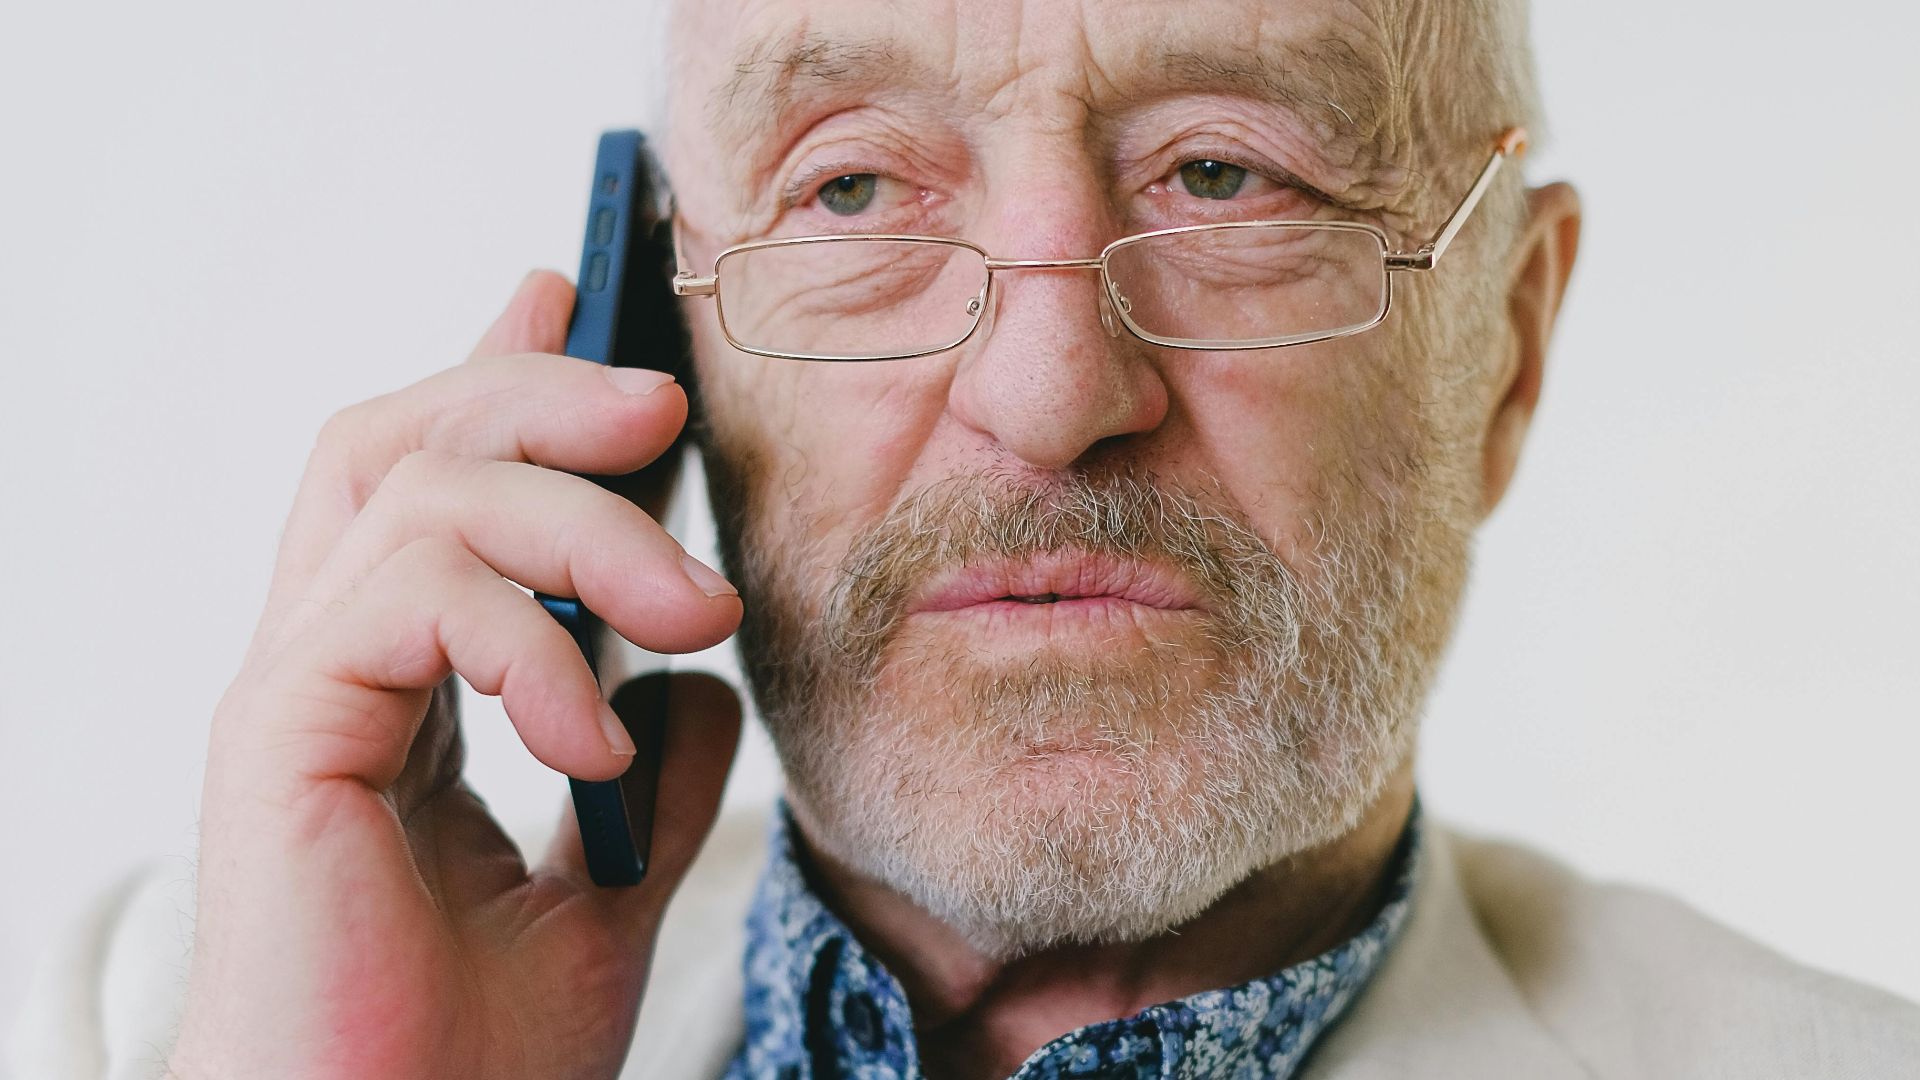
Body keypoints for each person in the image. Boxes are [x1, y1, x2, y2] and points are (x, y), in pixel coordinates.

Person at [13, 0, 1920, 1076]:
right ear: (657, 333)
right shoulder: (168, 1031)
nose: (1050, 384)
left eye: (1222, 173)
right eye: (852, 189)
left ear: (1500, 349)